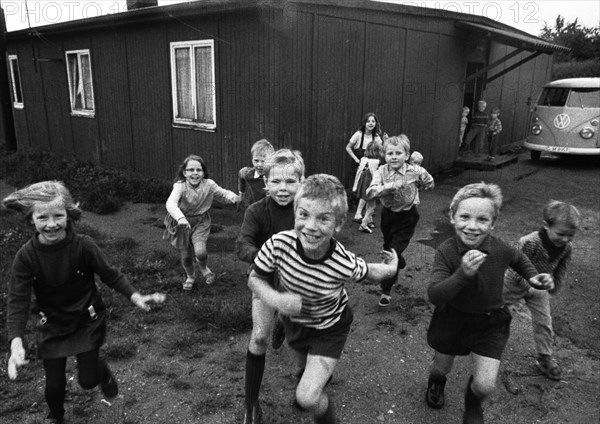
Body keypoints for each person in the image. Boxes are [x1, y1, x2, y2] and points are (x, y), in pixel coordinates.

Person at [3, 181, 165, 424]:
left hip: (85, 321)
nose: (51, 224)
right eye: (42, 217)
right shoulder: (26, 257)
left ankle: (102, 372)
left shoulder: (84, 246)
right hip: (51, 325)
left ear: (69, 215)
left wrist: (135, 296)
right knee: (54, 386)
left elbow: (110, 274)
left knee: (88, 381)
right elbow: (18, 300)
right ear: (30, 220)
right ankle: (56, 417)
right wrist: (16, 341)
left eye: (58, 215)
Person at [248, 174, 398, 424]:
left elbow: (369, 272)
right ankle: (310, 373)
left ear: (338, 223)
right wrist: (277, 300)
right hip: (295, 324)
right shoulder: (278, 244)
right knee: (303, 370)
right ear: (295, 214)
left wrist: (391, 269)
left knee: (307, 397)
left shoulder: (341, 261)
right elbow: (254, 279)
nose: (311, 226)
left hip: (329, 329)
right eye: (304, 215)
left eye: (323, 218)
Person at [424, 182, 554, 424]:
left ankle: (472, 405)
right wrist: (463, 273)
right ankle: (437, 381)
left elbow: (518, 257)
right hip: (452, 318)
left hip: (490, 321)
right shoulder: (446, 251)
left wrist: (533, 276)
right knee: (442, 366)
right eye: (464, 216)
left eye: (482, 219)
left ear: (493, 223)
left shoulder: (500, 247)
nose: (472, 226)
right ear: (453, 218)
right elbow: (435, 295)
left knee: (485, 385)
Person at [236, 149, 305, 424]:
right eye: (275, 181)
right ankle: (251, 403)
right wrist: (264, 256)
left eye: (290, 182)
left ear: (301, 181)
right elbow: (242, 245)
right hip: (265, 282)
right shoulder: (256, 211)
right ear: (265, 182)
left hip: (300, 284)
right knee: (260, 337)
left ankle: (307, 379)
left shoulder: (307, 209)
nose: (283, 188)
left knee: (301, 338)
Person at [503, 200, 580, 383]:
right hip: (515, 283)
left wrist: (553, 286)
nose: (565, 239)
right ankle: (472, 324)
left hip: (540, 288)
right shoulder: (529, 242)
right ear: (546, 226)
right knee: (492, 307)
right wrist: (529, 281)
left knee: (544, 322)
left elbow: (561, 268)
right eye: (561, 234)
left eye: (570, 236)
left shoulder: (566, 247)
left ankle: (545, 357)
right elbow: (514, 266)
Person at [366, 135, 434, 307]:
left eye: (398, 153)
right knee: (389, 248)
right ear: (384, 155)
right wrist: (388, 187)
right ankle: (399, 261)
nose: (394, 157)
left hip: (407, 217)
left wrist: (425, 185)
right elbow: (370, 192)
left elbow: (429, 181)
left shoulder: (415, 171)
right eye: (390, 153)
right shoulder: (381, 172)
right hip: (388, 216)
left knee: (391, 253)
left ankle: (386, 291)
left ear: (407, 155)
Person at [163, 154, 240, 290]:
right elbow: (171, 204)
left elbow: (223, 193)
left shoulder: (209, 184)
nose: (195, 173)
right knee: (186, 256)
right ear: (184, 173)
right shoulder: (180, 186)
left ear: (204, 172)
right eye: (191, 170)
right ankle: (190, 276)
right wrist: (180, 218)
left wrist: (233, 197)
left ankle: (204, 268)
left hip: (200, 222)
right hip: (181, 223)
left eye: (198, 170)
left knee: (201, 252)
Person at [345, 113, 384, 223]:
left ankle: (365, 212)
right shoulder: (358, 134)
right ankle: (359, 211)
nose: (371, 123)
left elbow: (381, 149)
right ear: (364, 123)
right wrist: (356, 160)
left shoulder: (376, 137)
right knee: (359, 187)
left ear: (376, 123)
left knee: (368, 187)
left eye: (373, 121)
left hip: (372, 165)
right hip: (359, 163)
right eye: (368, 121)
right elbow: (348, 147)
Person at [352, 140, 383, 234]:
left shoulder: (362, 159)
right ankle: (364, 224)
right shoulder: (377, 162)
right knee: (372, 205)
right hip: (370, 184)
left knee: (366, 200)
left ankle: (368, 220)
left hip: (362, 184)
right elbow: (377, 175)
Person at [238, 139, 275, 211]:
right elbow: (241, 173)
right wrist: (241, 195)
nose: (259, 164)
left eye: (264, 161)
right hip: (254, 210)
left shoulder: (276, 177)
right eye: (256, 160)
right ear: (252, 159)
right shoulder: (247, 173)